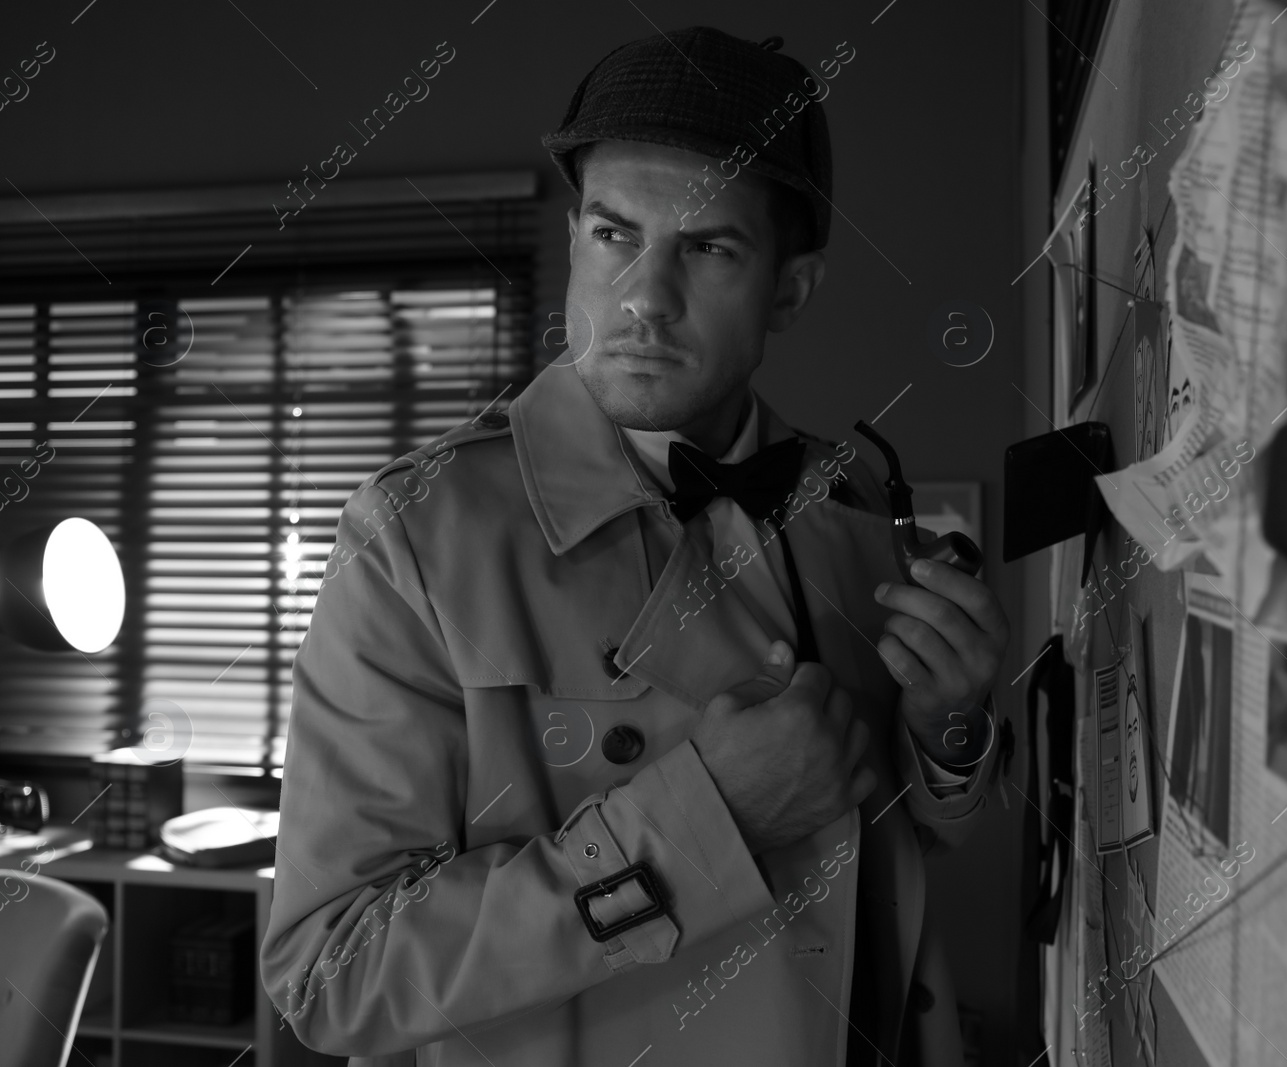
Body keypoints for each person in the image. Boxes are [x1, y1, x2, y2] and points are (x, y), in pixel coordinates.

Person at [260, 25, 1010, 1067]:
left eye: (706, 249)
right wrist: (704, 817)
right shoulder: (417, 534)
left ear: (790, 289)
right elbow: (331, 974)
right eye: (615, 235)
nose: (642, 301)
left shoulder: (854, 501)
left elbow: (889, 844)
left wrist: (949, 737)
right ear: (574, 236)